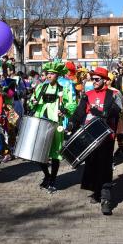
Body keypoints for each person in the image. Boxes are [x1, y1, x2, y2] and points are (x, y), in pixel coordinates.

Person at [70, 67, 121, 215]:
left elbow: (117, 110)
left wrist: (104, 113)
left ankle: (106, 199)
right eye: (92, 79)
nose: (94, 81)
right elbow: (80, 112)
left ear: (105, 80)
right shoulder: (87, 95)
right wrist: (73, 122)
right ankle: (97, 192)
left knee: (104, 166)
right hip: (90, 137)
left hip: (106, 137)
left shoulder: (114, 94)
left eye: (97, 79)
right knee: (92, 165)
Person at [28, 61, 77, 193]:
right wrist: (32, 102)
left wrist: (64, 111)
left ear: (58, 75)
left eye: (52, 74)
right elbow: (31, 101)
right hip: (41, 122)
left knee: (55, 153)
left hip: (55, 123)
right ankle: (47, 175)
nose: (48, 76)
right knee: (39, 153)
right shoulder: (41, 87)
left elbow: (72, 104)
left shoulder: (64, 88)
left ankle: (53, 179)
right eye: (48, 73)